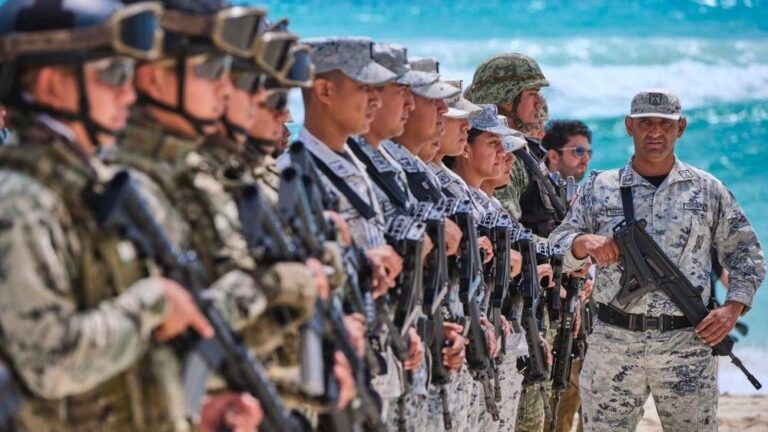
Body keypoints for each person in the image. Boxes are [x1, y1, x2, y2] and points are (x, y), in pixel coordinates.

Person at [0, 1, 262, 430]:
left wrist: (198, 411)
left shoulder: (91, 186)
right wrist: (153, 303)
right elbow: (50, 362)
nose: (128, 91)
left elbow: (133, 367)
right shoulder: (22, 201)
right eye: (113, 75)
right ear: (50, 85)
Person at [550, 88, 766, 431]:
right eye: (645, 123)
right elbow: (555, 245)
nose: (655, 132)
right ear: (628, 126)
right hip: (613, 345)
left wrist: (732, 309)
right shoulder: (600, 188)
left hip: (688, 344)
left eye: (664, 124)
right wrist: (581, 243)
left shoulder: (706, 189)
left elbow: (747, 254)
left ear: (680, 128)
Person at [279, 36, 424, 426]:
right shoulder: (295, 175)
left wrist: (399, 324)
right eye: (364, 88)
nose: (376, 99)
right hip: (330, 365)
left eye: (379, 89)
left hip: (373, 359)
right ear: (324, 90)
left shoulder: (358, 167)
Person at [540, 120, 594, 432]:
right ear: (553, 155)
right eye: (576, 151)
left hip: (585, 322)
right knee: (556, 414)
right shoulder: (537, 198)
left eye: (587, 151)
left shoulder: (584, 197)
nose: (584, 157)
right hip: (556, 321)